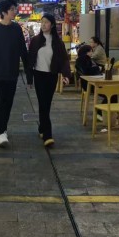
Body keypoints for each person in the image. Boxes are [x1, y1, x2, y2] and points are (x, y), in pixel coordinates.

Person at [0, 0, 30, 148]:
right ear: (4, 12)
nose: (15, 12)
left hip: (12, 73)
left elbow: (23, 51)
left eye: (15, 9)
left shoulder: (17, 29)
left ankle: (2, 129)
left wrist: (29, 74)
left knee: (8, 103)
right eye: (12, 9)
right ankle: (2, 132)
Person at [26, 14, 70, 147]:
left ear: (52, 24)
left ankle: (42, 127)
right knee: (43, 103)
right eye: (42, 22)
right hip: (39, 75)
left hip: (52, 76)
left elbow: (63, 59)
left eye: (46, 22)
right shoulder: (35, 40)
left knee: (46, 104)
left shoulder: (58, 42)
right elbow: (30, 60)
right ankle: (48, 135)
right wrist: (29, 79)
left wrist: (66, 75)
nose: (43, 24)